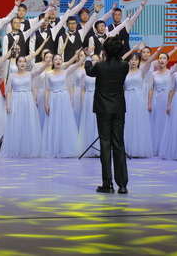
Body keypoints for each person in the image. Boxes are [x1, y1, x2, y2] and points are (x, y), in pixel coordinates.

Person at [85, 36, 130, 194]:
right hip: (118, 108)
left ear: (105, 51)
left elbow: (89, 72)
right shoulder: (124, 66)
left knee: (105, 144)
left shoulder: (101, 66)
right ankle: (122, 185)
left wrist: (88, 58)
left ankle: (107, 184)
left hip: (103, 108)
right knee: (119, 144)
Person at [0, 44, 51, 158]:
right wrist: (8, 104)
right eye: (20, 61)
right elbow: (8, 91)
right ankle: (16, 148)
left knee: (28, 123)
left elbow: (39, 71)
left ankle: (28, 149)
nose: (22, 63)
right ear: (17, 64)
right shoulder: (12, 76)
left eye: (24, 61)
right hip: (16, 100)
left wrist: (47, 63)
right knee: (17, 124)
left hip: (28, 101)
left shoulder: (30, 74)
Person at [41, 51, 85, 158]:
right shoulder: (48, 74)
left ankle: (65, 148)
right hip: (53, 99)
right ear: (52, 61)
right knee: (53, 122)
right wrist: (45, 103)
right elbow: (46, 90)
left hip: (64, 99)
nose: (58, 61)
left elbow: (77, 64)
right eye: (55, 59)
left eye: (59, 59)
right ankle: (54, 148)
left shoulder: (66, 72)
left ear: (62, 61)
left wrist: (85, 55)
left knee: (64, 121)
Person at [123, 47, 161, 158]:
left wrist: (158, 51)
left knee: (138, 122)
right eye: (132, 59)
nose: (133, 61)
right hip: (127, 98)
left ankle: (137, 149)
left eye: (136, 59)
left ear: (139, 61)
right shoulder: (124, 72)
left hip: (138, 99)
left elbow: (149, 61)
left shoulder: (142, 71)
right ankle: (127, 149)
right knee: (127, 123)